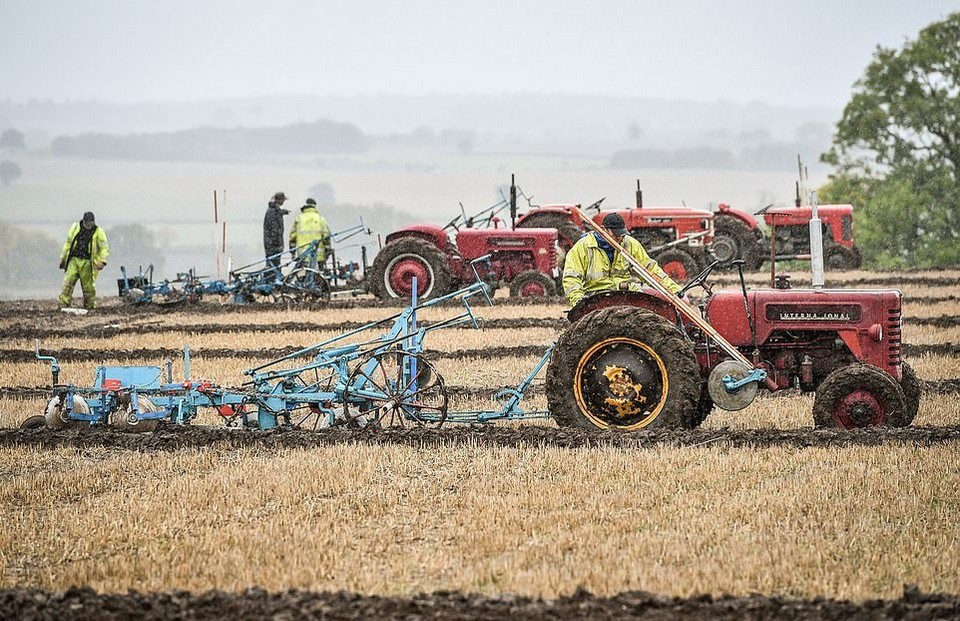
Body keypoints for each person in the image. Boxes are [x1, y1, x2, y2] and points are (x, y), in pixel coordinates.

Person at [562, 212, 683, 307]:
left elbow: (650, 270)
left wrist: (673, 289)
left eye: (622, 234)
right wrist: (578, 300)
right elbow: (571, 277)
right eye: (616, 234)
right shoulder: (583, 247)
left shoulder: (629, 244)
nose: (620, 238)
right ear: (604, 230)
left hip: (626, 293)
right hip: (596, 296)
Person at [58, 211, 109, 310]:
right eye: (87, 224)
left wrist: (102, 261)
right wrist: (63, 259)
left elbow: (104, 248)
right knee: (68, 282)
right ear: (83, 222)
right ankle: (63, 304)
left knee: (88, 287)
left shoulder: (98, 232)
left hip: (87, 262)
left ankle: (89, 306)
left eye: (91, 224)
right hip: (74, 259)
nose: (89, 226)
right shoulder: (75, 228)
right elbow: (68, 244)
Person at [288, 198, 332, 267]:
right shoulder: (320, 218)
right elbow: (326, 236)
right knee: (319, 276)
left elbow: (292, 237)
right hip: (318, 256)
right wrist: (327, 251)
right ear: (314, 206)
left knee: (303, 275)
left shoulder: (299, 219)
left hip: (303, 255)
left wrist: (292, 252)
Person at [263, 191, 289, 273]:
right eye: (283, 200)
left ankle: (274, 280)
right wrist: (277, 244)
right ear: (279, 200)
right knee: (273, 267)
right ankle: (271, 282)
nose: (283, 202)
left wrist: (283, 212)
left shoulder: (274, 210)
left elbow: (277, 212)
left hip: (273, 244)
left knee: (276, 266)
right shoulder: (272, 212)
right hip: (272, 245)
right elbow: (274, 229)